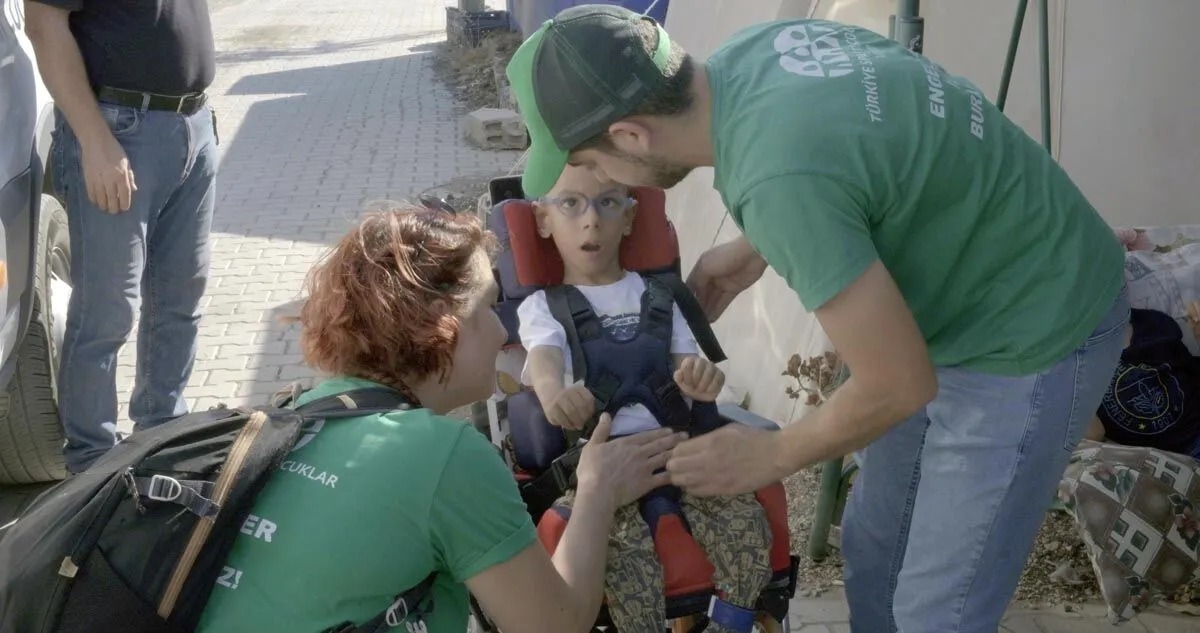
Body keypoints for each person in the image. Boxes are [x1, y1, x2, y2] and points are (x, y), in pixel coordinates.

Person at [505, 5, 1129, 632]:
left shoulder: (777, 179)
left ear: (632, 137)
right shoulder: (755, 53)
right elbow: (868, 156)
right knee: (875, 554)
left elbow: (898, 385)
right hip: (954, 306)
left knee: (938, 611)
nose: (602, 182)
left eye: (597, 165)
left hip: (1035, 327)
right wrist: (758, 246)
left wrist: (770, 455)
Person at [195, 207, 683, 633]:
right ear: (441, 321)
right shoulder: (445, 453)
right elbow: (553, 624)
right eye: (490, 307)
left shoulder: (296, 410)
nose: (501, 331)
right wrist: (596, 491)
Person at [517, 166, 772, 633]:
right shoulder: (542, 309)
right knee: (627, 566)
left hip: (680, 448)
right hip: (606, 464)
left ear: (631, 218)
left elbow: (685, 367)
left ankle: (731, 621)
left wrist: (699, 379)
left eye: (608, 202)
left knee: (745, 522)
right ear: (543, 221)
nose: (590, 220)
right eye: (570, 204)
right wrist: (555, 396)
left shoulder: (662, 297)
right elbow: (545, 362)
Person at [25, 1, 218, 473]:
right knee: (107, 312)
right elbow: (44, 22)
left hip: (191, 126)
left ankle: (163, 438)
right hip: (120, 133)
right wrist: (94, 140)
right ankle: (92, 467)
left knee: (180, 300)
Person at [1084, 302, 1200, 459]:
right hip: (1166, 461)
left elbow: (1189, 368)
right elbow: (1094, 434)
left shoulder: (1151, 325)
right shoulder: (1073, 372)